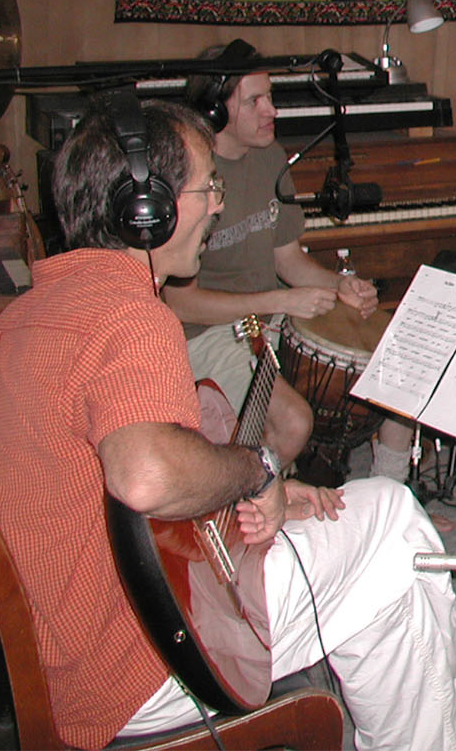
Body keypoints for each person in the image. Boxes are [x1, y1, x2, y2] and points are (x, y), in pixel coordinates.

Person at [0, 99, 456, 749]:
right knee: (393, 525)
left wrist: (241, 502)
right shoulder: (128, 315)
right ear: (144, 210)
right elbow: (146, 477)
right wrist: (254, 470)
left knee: (382, 573)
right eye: (207, 186)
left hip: (63, 658)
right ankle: (443, 690)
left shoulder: (20, 320)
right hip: (139, 665)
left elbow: (103, 499)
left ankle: (436, 680)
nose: (216, 203)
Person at [166, 40, 421, 489]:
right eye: (255, 101)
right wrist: (284, 299)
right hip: (205, 333)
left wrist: (340, 285)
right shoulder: (190, 175)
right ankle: (253, 517)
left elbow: (289, 258)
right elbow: (179, 303)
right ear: (215, 110)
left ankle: (391, 492)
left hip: (270, 314)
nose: (272, 111)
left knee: (398, 354)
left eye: (271, 97)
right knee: (293, 423)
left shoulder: (269, 157)